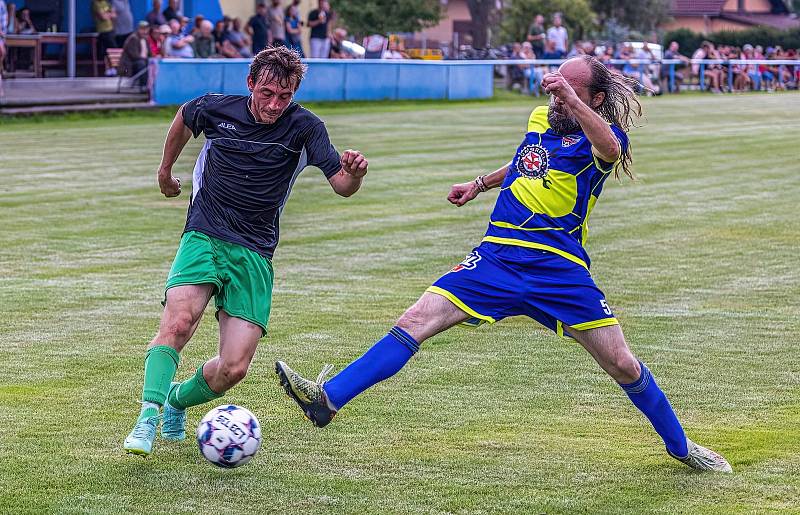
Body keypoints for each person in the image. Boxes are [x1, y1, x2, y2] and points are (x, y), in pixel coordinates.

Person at [275, 55, 733, 474]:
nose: (557, 96)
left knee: (622, 363)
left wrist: (573, 102)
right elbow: (524, 161)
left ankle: (680, 446)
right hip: (497, 256)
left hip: (559, 267)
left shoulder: (603, 135)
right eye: (556, 86)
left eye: (570, 89)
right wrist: (479, 183)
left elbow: (611, 150)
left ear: (593, 97)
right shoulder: (539, 118)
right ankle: (327, 400)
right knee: (415, 318)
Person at [122, 46, 370, 457]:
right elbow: (185, 116)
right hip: (204, 232)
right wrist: (165, 170)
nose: (275, 104)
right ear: (251, 83)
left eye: (284, 96)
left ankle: (175, 401)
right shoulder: (217, 109)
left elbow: (340, 185)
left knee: (234, 367)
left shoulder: (305, 128)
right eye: (268, 92)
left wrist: (356, 175)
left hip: (255, 250)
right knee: (179, 322)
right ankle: (146, 417)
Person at [120, 20, 149, 86]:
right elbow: (134, 56)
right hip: (128, 65)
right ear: (138, 29)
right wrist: (147, 59)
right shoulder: (133, 38)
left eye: (146, 29)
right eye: (142, 29)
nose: (144, 31)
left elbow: (149, 53)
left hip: (140, 62)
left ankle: (151, 85)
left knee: (153, 63)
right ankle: (143, 85)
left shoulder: (145, 39)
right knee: (142, 63)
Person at [92, 0, 117, 69]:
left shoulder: (106, 2)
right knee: (109, 50)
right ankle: (110, 68)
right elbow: (103, 17)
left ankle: (113, 68)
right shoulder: (95, 3)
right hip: (103, 31)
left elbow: (114, 15)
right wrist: (109, 14)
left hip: (111, 29)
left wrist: (107, 14)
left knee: (113, 49)